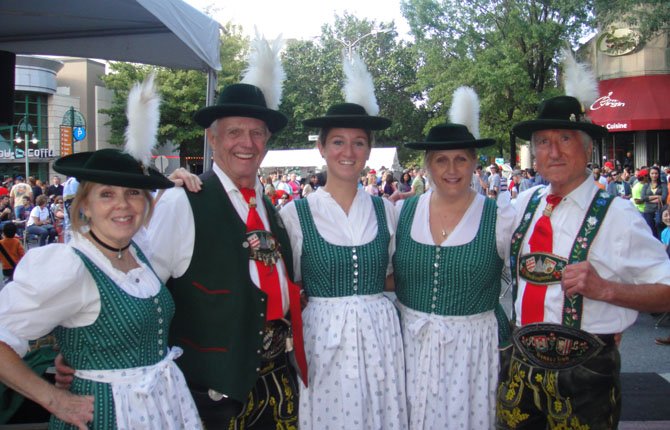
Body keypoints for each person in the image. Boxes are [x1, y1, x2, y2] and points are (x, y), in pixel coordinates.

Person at [0, 75, 202, 429]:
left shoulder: (138, 250)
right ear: (85, 206)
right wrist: (54, 399)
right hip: (107, 416)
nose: (123, 205)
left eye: (134, 193)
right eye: (107, 194)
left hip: (162, 407)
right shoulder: (69, 266)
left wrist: (176, 180)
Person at [144, 37, 308, 429]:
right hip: (212, 393)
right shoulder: (183, 201)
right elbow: (143, 291)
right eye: (235, 132)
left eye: (257, 133)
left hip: (276, 382)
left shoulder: (271, 209)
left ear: (267, 142)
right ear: (213, 140)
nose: (247, 143)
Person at [496, 95, 670, 429]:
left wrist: (607, 291)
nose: (554, 152)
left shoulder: (619, 215)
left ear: (588, 149)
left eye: (565, 139)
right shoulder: (523, 204)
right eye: (543, 142)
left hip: (585, 375)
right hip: (518, 370)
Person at [281, 59, 408, 429]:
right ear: (321, 148)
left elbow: (392, 275)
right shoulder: (295, 214)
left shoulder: (386, 211)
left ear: (369, 151)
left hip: (380, 336)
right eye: (337, 142)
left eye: (358, 143)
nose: (348, 152)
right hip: (323, 339)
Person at [395, 86, 514, 429]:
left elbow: (525, 279)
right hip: (411, 344)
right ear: (428, 165)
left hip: (474, 350)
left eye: (461, 158)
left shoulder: (500, 218)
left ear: (474, 163)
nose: (451, 168)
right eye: (441, 160)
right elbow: (389, 274)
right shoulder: (403, 212)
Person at [641, 166, 667, 238]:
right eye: (652, 173)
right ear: (649, 174)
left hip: (659, 210)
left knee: (660, 229)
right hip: (648, 211)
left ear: (658, 174)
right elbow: (643, 197)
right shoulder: (646, 185)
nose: (654, 175)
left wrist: (649, 199)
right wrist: (657, 197)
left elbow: (664, 197)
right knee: (650, 231)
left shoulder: (663, 185)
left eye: (656, 173)